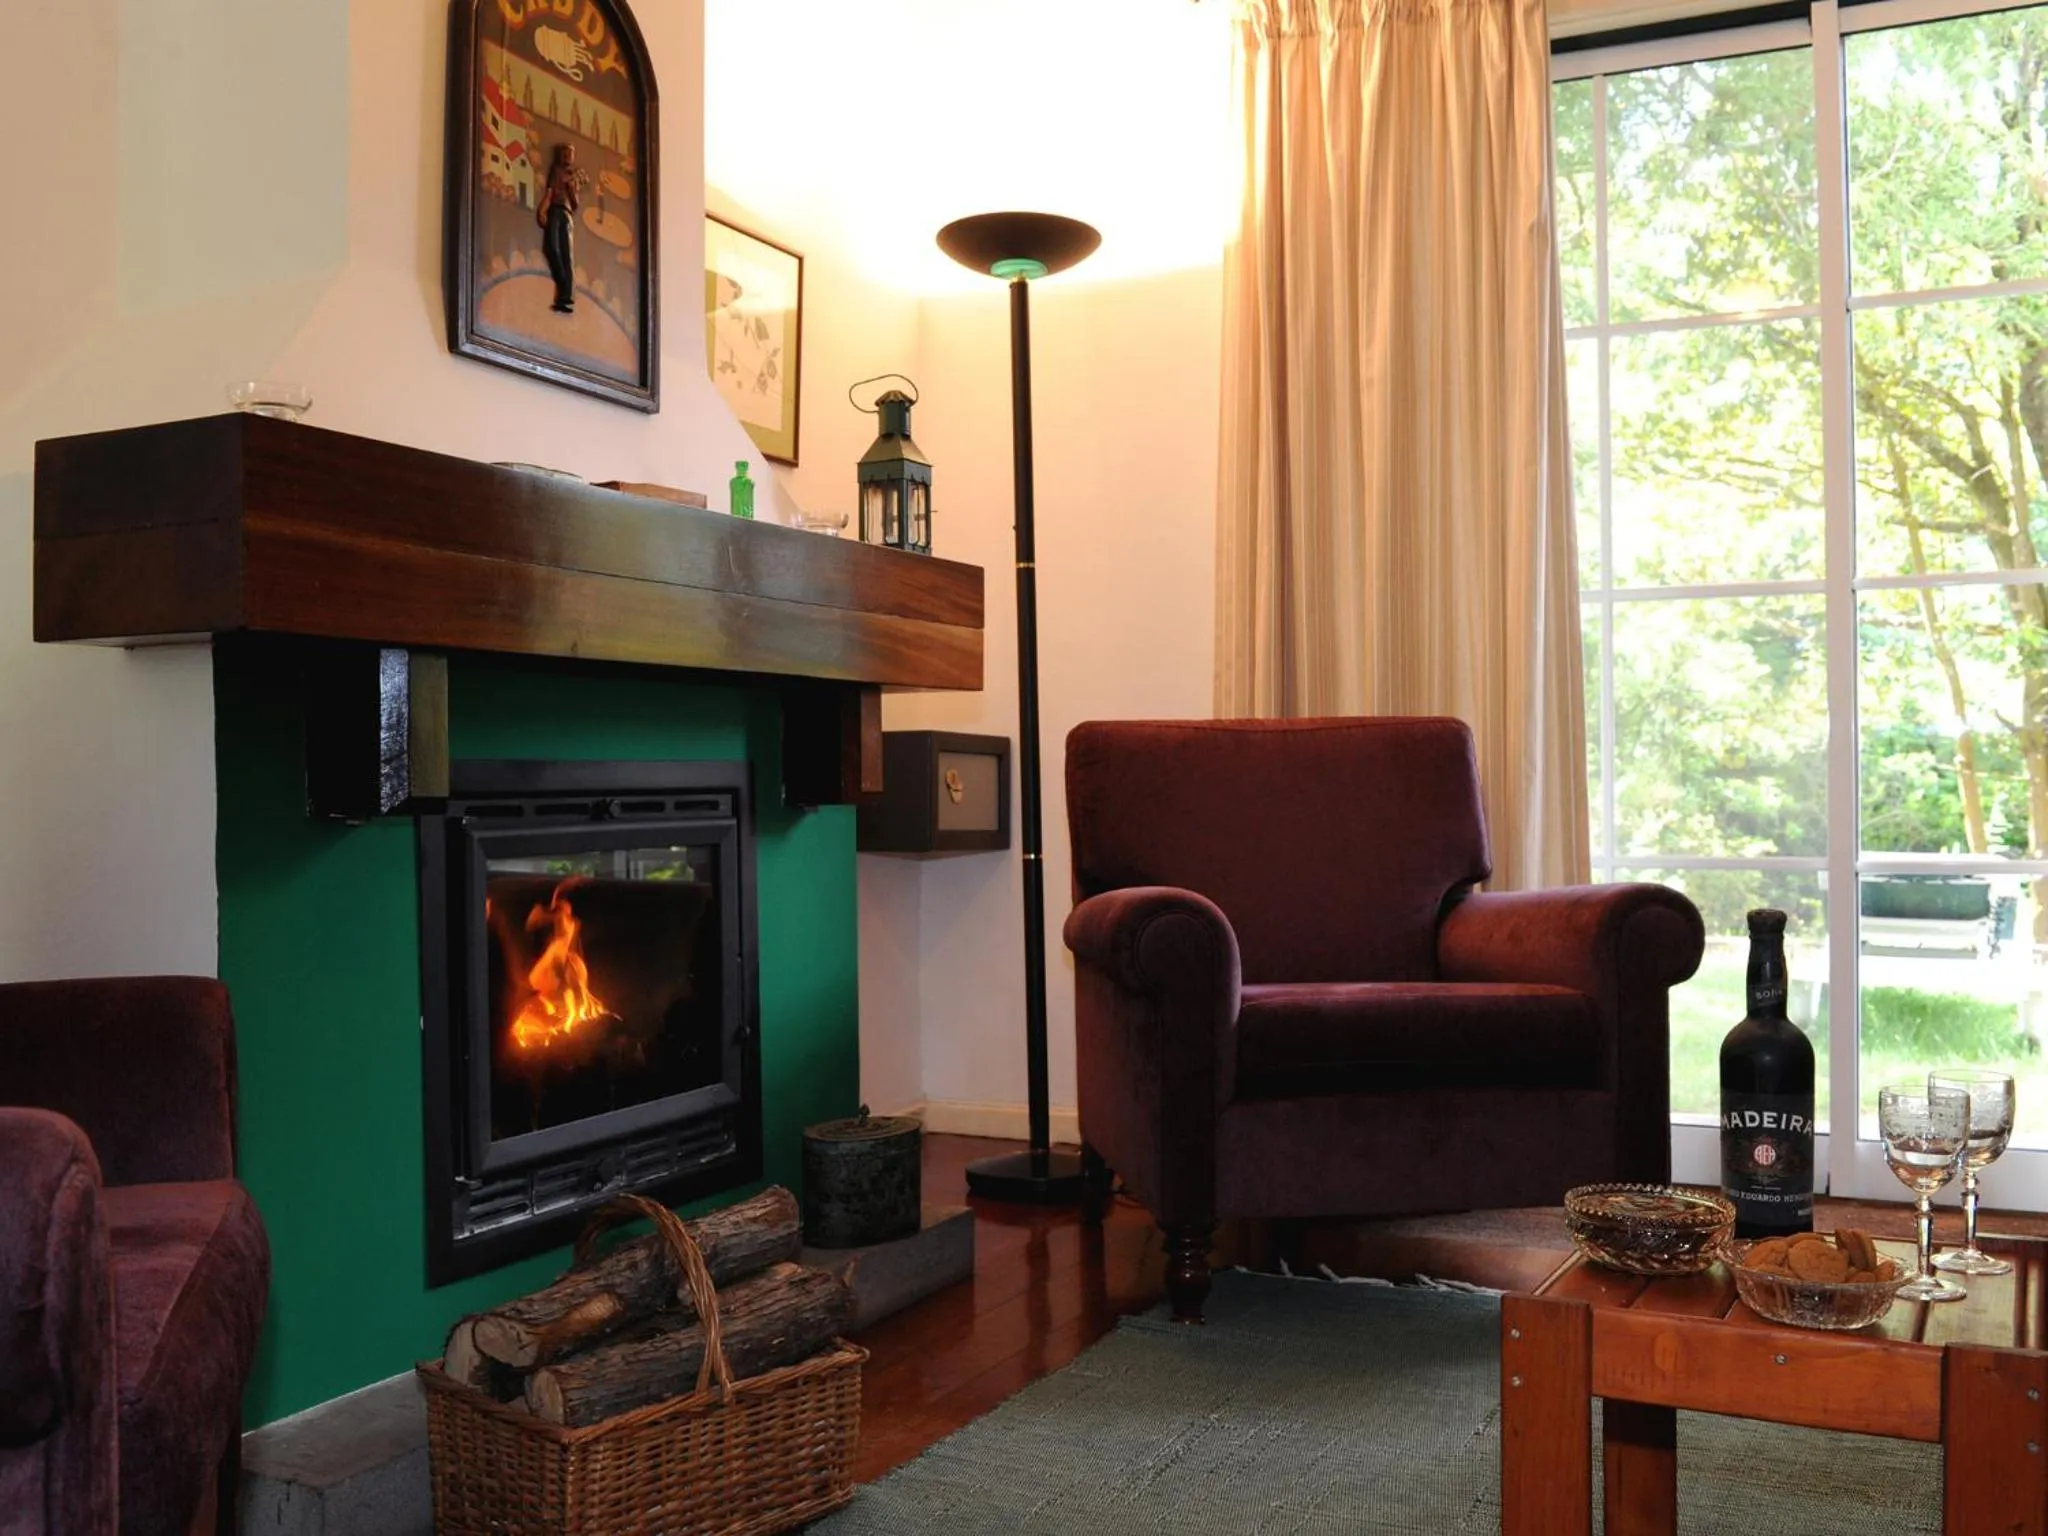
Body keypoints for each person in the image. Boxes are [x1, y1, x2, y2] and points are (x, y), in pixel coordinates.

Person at [537, 143, 582, 314]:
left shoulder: (573, 177)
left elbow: (576, 204)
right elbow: (549, 194)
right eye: (565, 154)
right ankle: (563, 284)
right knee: (552, 249)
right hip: (554, 211)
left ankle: (566, 295)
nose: (568, 157)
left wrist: (571, 190)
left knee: (567, 254)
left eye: (570, 154)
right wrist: (543, 209)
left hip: (566, 214)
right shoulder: (556, 172)